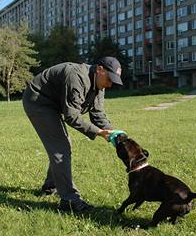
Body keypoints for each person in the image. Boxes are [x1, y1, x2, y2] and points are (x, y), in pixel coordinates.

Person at [22, 56, 123, 213]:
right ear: (100, 69)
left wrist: (116, 134)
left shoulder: (99, 85)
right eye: (110, 79)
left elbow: (98, 114)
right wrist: (99, 132)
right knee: (61, 147)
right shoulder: (76, 77)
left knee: (63, 145)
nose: (110, 85)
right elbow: (72, 116)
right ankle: (70, 201)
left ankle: (51, 186)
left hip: (55, 103)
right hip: (39, 101)